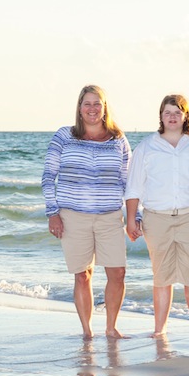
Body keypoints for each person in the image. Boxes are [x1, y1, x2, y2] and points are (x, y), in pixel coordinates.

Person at [125, 94, 189, 338]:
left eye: (177, 112)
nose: (172, 117)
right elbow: (134, 188)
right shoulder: (146, 147)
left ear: (185, 116)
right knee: (162, 276)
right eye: (167, 112)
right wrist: (131, 220)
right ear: (160, 116)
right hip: (156, 218)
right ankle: (159, 330)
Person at [42, 85, 132, 339]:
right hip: (73, 215)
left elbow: (129, 182)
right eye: (87, 104)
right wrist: (53, 212)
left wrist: (135, 215)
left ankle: (111, 327)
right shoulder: (64, 136)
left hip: (110, 216)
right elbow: (49, 176)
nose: (92, 109)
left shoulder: (118, 139)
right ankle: (87, 331)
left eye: (97, 104)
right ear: (79, 109)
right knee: (83, 275)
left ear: (104, 109)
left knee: (118, 272)